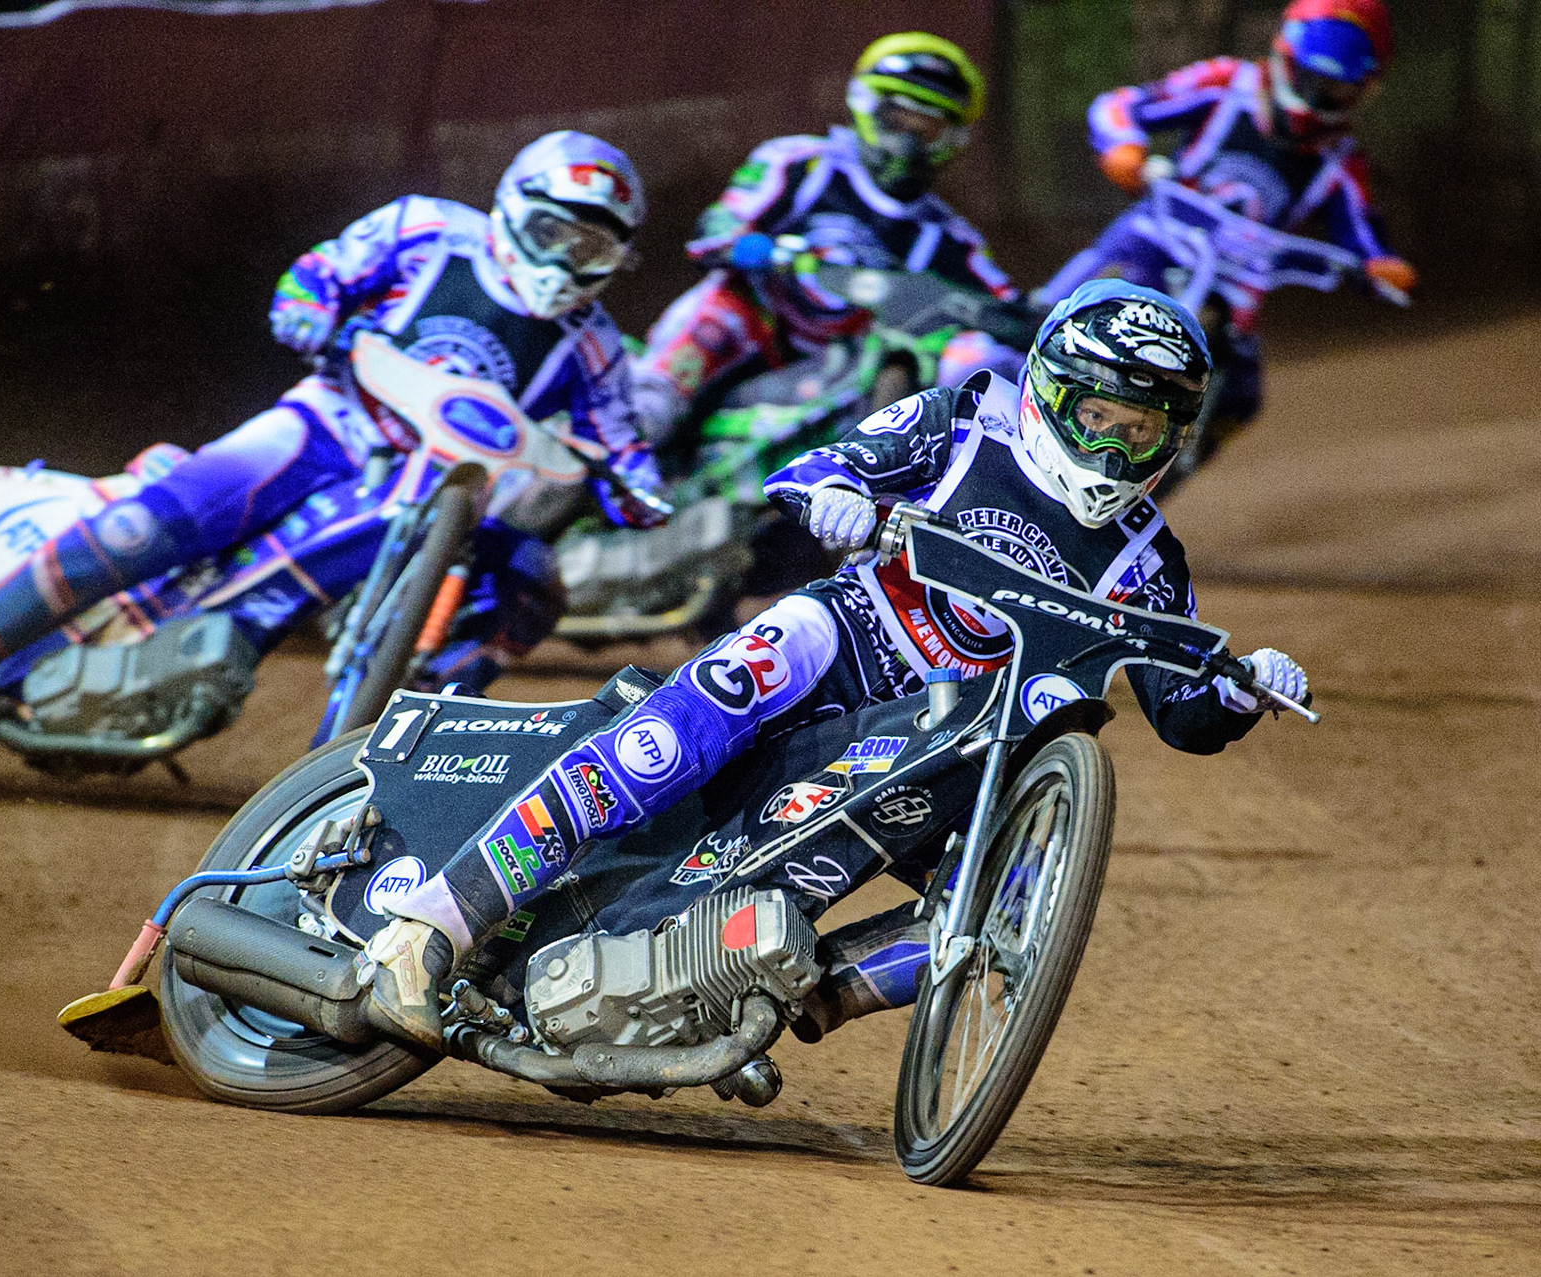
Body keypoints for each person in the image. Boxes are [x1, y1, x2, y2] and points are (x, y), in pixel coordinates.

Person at [357, 280, 1311, 1048]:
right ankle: (436, 920)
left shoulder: (1150, 556)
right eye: (1097, 416)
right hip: (847, 640)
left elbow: (1184, 708)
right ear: (1049, 390)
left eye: (1141, 432)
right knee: (687, 725)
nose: (1112, 446)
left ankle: (808, 996)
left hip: (954, 750)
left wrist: (1242, 684)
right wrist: (840, 498)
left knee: (1010, 902)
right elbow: (819, 467)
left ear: (1175, 439)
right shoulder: (969, 416)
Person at [0, 131, 665, 713]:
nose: (564, 262)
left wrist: (639, 491)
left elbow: (622, 440)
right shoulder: (427, 229)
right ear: (514, 207)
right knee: (148, 528)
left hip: (429, 495)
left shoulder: (593, 345)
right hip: (326, 425)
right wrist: (313, 315)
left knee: (532, 581)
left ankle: (412, 720)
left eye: (589, 247)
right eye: (554, 233)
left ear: (615, 259)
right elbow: (315, 277)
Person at [628, 32, 1025, 446]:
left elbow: (1005, 310)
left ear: (951, 139)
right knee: (720, 310)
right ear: (866, 106)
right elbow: (714, 232)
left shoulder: (949, 238)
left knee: (927, 353)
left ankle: (869, 475)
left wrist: (1031, 318)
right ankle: (639, 421)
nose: (907, 140)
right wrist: (769, 252)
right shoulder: (800, 164)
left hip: (845, 371)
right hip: (760, 326)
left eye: (926, 128)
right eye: (897, 118)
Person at [1041, 0, 1413, 429]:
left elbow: (1363, 235)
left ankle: (1161, 474)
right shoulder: (1226, 84)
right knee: (1073, 310)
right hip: (1159, 239)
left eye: (1340, 90)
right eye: (1319, 84)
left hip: (1237, 286)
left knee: (1241, 396)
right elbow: (1119, 106)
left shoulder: (1340, 162)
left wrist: (1379, 266)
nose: (1325, 100)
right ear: (1290, 63)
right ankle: (1014, 356)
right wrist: (1124, 148)